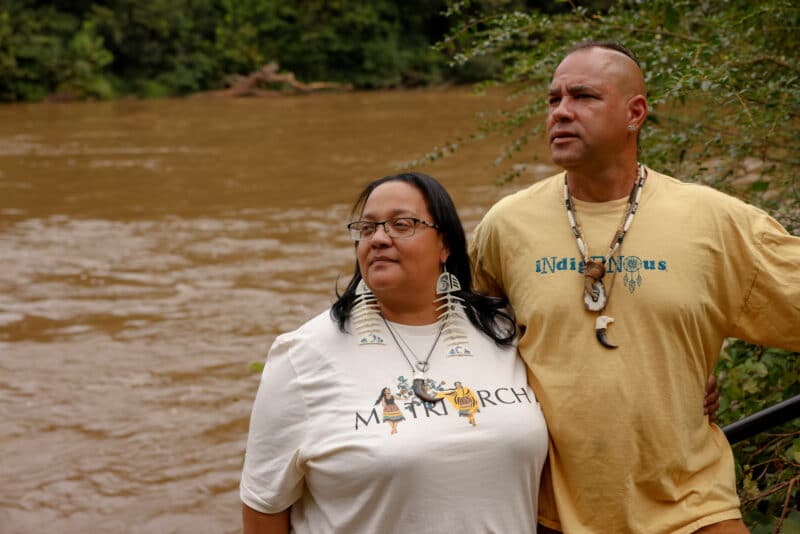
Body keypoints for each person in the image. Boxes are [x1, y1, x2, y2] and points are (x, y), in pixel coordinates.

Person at [469, 41, 800, 533]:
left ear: (635, 113)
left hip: (693, 507)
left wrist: (684, 371)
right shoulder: (506, 225)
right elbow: (451, 336)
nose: (561, 111)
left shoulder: (714, 221)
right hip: (552, 513)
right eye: (553, 98)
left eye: (582, 97)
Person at [240, 172, 549, 533]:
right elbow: (264, 506)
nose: (379, 239)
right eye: (367, 229)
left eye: (401, 225)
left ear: (445, 245)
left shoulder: (502, 332)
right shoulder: (302, 355)